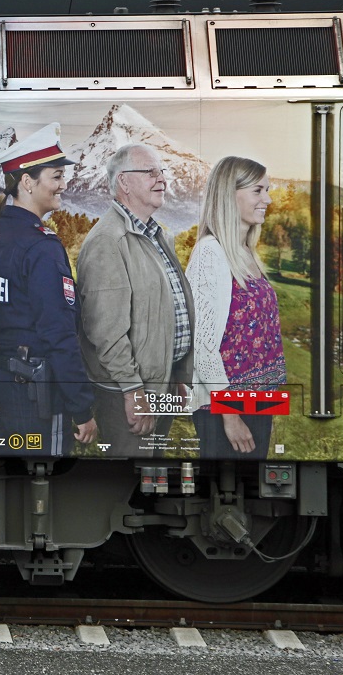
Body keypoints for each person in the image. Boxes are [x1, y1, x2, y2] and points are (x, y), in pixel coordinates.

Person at [0, 123, 96, 455]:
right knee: (42, 491)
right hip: (34, 397)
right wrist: (81, 407)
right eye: (56, 176)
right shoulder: (41, 247)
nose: (63, 185)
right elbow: (58, 333)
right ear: (27, 182)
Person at [77, 144, 194, 457]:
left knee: (152, 475)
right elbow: (105, 330)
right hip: (127, 394)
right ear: (123, 183)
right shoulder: (107, 241)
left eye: (162, 171)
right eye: (150, 172)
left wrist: (177, 376)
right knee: (129, 479)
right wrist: (132, 389)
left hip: (159, 387)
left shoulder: (158, 236)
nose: (162, 179)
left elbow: (169, 313)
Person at [186, 157, 284, 459]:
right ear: (230, 195)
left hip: (256, 403)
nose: (267, 199)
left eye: (266, 190)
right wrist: (229, 414)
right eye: (257, 191)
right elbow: (201, 344)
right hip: (227, 406)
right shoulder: (210, 253)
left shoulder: (244, 252)